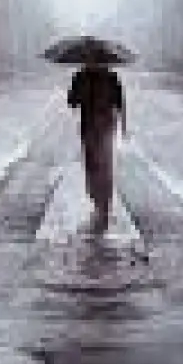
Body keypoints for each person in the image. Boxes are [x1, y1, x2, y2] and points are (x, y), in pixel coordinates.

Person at [66, 53, 126, 235]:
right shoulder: (109, 76)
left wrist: (81, 93)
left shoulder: (82, 76)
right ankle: (102, 205)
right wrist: (122, 125)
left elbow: (71, 102)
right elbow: (119, 104)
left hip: (94, 126)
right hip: (102, 125)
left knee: (95, 165)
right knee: (101, 165)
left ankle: (100, 204)